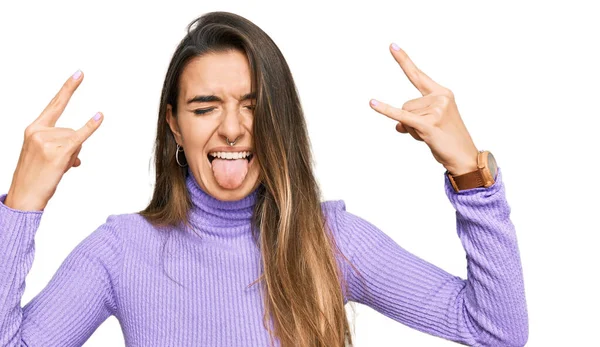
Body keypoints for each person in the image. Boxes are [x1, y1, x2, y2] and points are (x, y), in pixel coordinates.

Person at [0, 11, 528, 347]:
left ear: (281, 120)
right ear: (174, 127)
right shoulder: (120, 250)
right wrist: (21, 204)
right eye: (205, 107)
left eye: (253, 107)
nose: (231, 128)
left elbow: (495, 329)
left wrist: (470, 177)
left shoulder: (329, 238)